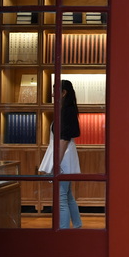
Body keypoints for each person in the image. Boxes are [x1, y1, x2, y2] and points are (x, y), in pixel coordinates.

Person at [39, 79, 83, 229]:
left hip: (63, 157)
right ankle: (77, 225)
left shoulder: (66, 112)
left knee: (61, 198)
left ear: (63, 93)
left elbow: (64, 140)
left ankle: (63, 231)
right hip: (65, 155)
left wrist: (56, 163)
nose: (52, 94)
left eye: (55, 91)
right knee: (67, 195)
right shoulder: (67, 110)